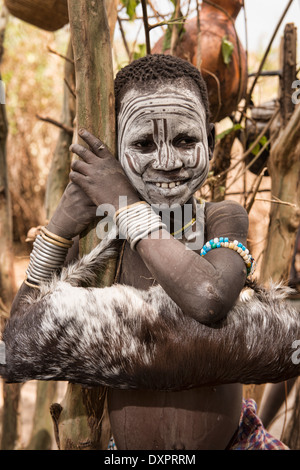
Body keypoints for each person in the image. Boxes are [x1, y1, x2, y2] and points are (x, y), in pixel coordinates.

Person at [0, 54, 299, 450]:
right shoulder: (101, 240)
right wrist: (60, 228)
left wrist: (124, 204)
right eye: (143, 143)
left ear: (210, 139)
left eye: (185, 140)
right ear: (118, 151)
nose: (168, 161)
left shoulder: (222, 217)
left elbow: (209, 299)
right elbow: (12, 351)